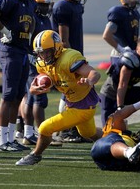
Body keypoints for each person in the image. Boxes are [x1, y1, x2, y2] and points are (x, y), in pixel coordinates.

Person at [15, 30, 102, 165]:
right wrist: (34, 89)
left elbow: (94, 73)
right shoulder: (41, 63)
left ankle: (35, 155)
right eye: (40, 53)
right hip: (72, 102)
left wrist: (89, 81)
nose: (43, 56)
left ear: (57, 47)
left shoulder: (69, 58)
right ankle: (116, 138)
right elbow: (42, 83)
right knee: (88, 133)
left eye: (47, 52)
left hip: (84, 105)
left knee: (44, 128)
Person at [0, 0, 37, 152]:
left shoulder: (31, 2)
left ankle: (11, 138)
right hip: (10, 51)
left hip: (22, 51)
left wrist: (30, 43)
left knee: (17, 95)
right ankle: (2, 141)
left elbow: (31, 22)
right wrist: (4, 30)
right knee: (8, 95)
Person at [52, 0, 89, 142]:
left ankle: (71, 130)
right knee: (69, 92)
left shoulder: (76, 7)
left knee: (74, 93)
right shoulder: (63, 7)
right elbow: (64, 39)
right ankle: (66, 130)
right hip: (67, 56)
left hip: (75, 54)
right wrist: (70, 58)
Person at [21, 0, 54, 146]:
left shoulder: (44, 19)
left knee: (31, 97)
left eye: (47, 4)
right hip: (34, 61)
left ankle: (29, 133)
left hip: (41, 61)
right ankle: (41, 133)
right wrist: (31, 56)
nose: (45, 7)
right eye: (42, 4)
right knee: (37, 98)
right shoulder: (32, 18)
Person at [99, 36, 140, 127]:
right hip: (111, 94)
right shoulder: (130, 59)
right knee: (109, 130)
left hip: (127, 93)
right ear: (137, 48)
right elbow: (122, 85)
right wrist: (120, 108)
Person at [91, 95, 140, 171]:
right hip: (104, 152)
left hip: (128, 163)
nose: (124, 121)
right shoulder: (114, 132)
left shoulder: (134, 140)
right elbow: (119, 115)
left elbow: (139, 158)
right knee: (111, 140)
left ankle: (129, 153)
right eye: (124, 121)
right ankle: (128, 152)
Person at [102, 0, 140, 65]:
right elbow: (106, 36)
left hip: (133, 52)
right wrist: (121, 49)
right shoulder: (117, 12)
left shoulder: (136, 13)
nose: (133, 0)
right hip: (119, 54)